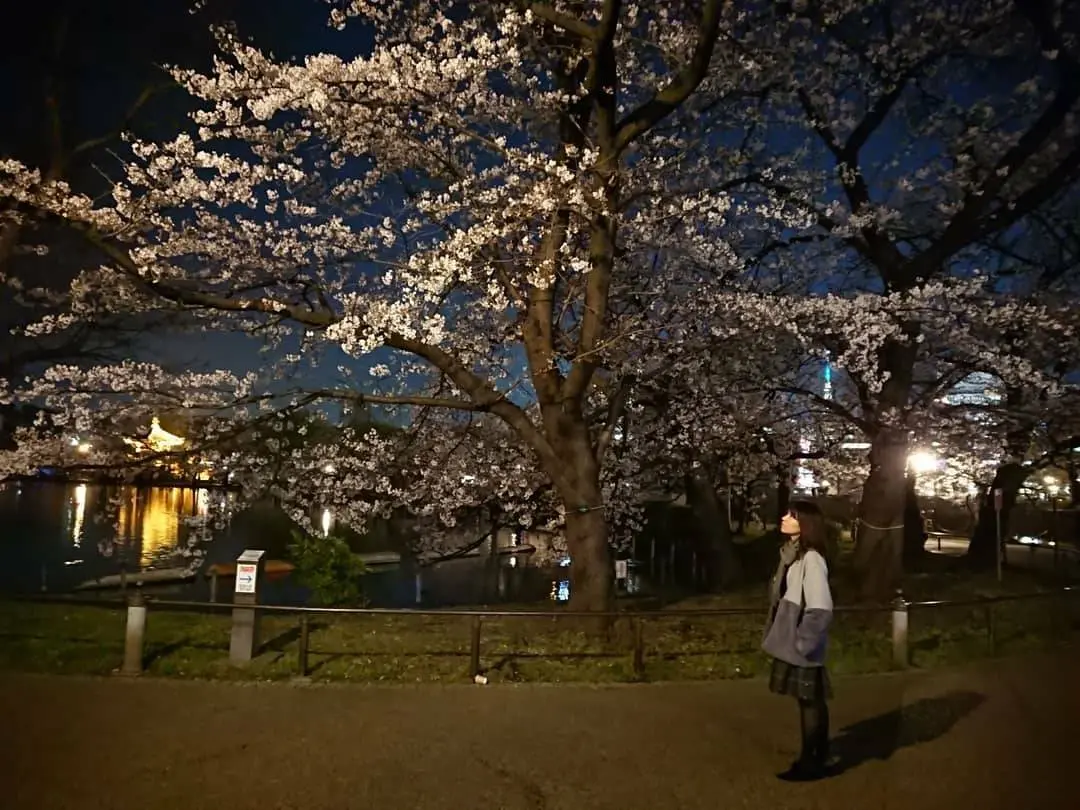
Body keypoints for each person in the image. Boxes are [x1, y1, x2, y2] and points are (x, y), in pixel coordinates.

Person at [762, 500, 834, 781]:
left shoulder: (811, 559)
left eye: (791, 516)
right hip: (795, 638)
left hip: (803, 642)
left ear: (805, 524)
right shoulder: (793, 555)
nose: (784, 517)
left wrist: (803, 643)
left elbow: (820, 607)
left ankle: (811, 762)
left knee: (809, 701)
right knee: (810, 700)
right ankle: (818, 756)